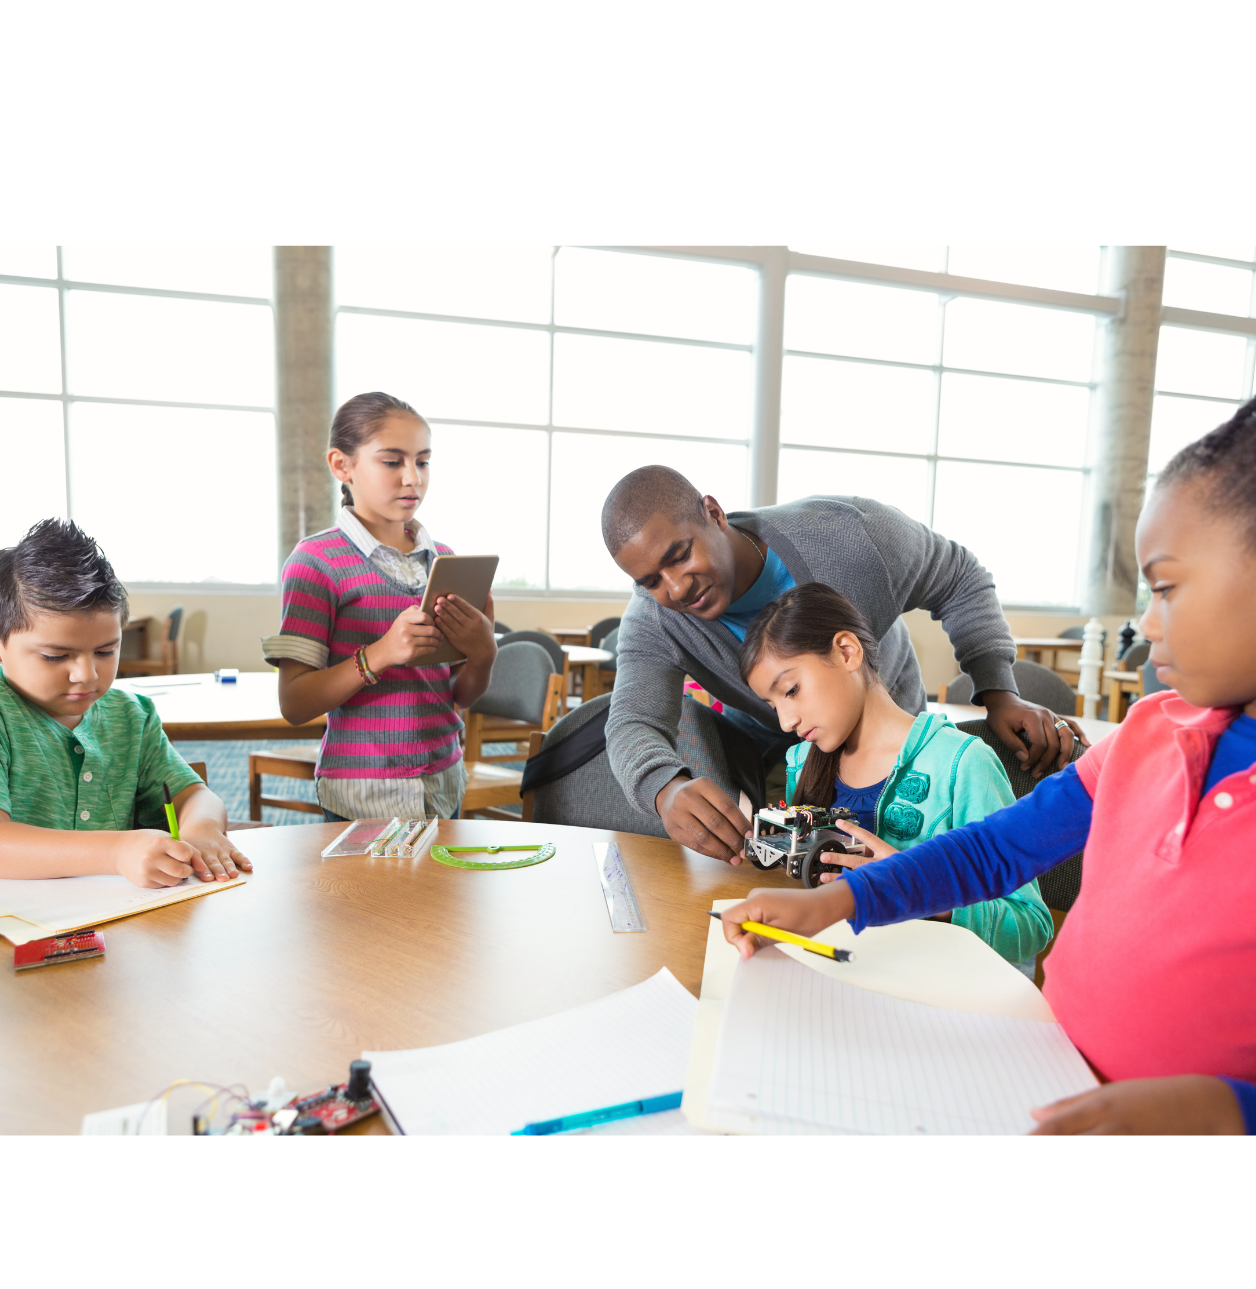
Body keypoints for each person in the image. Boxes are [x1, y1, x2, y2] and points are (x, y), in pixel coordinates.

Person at [718, 398, 1256, 1134]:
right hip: (1032, 1071)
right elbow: (995, 850)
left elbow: (1022, 917)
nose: (1146, 625)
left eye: (1164, 588)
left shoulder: (962, 760)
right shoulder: (1146, 735)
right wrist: (837, 902)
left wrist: (1228, 1111)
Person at [601, 467, 1086, 862]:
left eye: (680, 555)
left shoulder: (849, 536)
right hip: (790, 768)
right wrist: (663, 788)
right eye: (650, 581)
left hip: (897, 744)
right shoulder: (654, 619)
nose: (676, 588)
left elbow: (959, 576)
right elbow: (631, 721)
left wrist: (998, 691)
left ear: (713, 513)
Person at [739, 581, 1052, 969]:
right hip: (840, 970)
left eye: (791, 690)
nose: (786, 721)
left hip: (930, 983)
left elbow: (1030, 926)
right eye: (773, 706)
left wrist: (917, 886)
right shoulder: (801, 762)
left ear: (847, 651)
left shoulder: (962, 764)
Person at [264, 391, 496, 822]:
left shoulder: (445, 560)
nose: (413, 478)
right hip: (362, 791)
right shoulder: (316, 562)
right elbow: (295, 704)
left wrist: (483, 653)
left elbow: (459, 695)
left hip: (443, 781)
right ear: (342, 465)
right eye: (392, 462)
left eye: (423, 461)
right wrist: (381, 654)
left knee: (442, 872)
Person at [0, 520, 251, 888]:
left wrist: (201, 827)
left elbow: (194, 795)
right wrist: (117, 852)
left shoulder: (131, 715)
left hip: (117, 910)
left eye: (105, 651)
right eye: (56, 656)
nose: (86, 674)